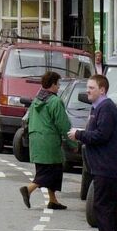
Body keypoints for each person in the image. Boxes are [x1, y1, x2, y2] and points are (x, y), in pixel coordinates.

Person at [69, 74, 117, 231]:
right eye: (88, 87)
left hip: (106, 167)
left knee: (104, 207)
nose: (88, 91)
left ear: (102, 90)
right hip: (100, 166)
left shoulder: (106, 108)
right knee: (102, 206)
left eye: (91, 88)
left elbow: (101, 135)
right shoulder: (98, 108)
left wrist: (79, 134)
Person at [20, 70, 72, 211]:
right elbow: (63, 124)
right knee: (49, 172)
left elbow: (27, 119)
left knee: (47, 170)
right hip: (49, 142)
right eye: (58, 84)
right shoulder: (55, 101)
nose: (59, 86)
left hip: (36, 140)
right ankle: (28, 189)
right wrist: (72, 142)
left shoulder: (37, 100)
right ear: (52, 84)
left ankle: (53, 200)